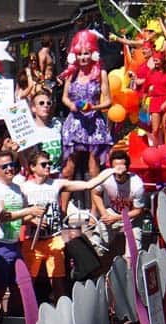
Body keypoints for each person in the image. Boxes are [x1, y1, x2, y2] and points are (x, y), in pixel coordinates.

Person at [20, 151, 120, 300]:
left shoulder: (56, 184)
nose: (48, 166)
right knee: (29, 281)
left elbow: (89, 184)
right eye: (43, 164)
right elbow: (15, 215)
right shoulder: (24, 187)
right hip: (32, 240)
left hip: (54, 239)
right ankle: (28, 314)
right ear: (33, 167)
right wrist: (30, 220)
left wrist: (111, 170)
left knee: (58, 280)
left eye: (49, 163)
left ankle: (61, 310)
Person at [0, 150, 45, 320]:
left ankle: (11, 319)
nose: (9, 169)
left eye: (12, 165)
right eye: (4, 166)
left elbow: (20, 217)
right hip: (0, 246)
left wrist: (32, 220)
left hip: (15, 244)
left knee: (20, 286)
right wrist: (29, 211)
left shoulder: (17, 188)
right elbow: (4, 216)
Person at [59, 30, 112, 210]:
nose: (83, 57)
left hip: (94, 124)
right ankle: (62, 211)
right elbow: (64, 98)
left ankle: (95, 212)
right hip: (74, 123)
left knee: (94, 169)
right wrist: (72, 105)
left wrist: (93, 108)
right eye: (80, 53)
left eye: (86, 53)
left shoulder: (100, 73)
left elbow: (108, 101)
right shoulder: (71, 74)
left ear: (93, 54)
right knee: (68, 169)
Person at [89, 150, 149, 257]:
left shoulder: (137, 185)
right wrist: (104, 214)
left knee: (133, 253)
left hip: (131, 217)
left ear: (127, 167)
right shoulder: (106, 176)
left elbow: (138, 211)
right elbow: (95, 193)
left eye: (122, 166)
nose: (119, 170)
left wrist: (116, 218)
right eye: (116, 167)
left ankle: (131, 270)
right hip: (112, 211)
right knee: (95, 244)